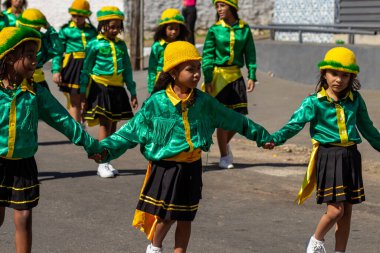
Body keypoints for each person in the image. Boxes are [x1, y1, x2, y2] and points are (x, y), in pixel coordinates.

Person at [92, 41, 273, 253]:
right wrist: (104, 150)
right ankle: (155, 247)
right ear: (174, 72)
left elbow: (232, 118)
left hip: (192, 167)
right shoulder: (157, 103)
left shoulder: (204, 101)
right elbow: (129, 131)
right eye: (190, 69)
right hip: (167, 168)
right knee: (167, 216)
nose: (197, 74)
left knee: (186, 216)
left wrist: (261, 136)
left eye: (198, 68)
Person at [0, 26, 100, 253]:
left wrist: (90, 144)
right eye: (30, 56)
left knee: (24, 216)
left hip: (24, 164)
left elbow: (63, 121)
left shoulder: (36, 94)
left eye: (36, 55)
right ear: (9, 58)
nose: (35, 61)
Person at [270, 47, 380, 253]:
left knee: (346, 213)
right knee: (335, 210)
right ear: (324, 74)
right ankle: (316, 242)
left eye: (345, 75)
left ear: (351, 77)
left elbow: (368, 129)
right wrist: (275, 139)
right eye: (334, 73)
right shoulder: (314, 102)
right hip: (329, 157)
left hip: (350, 157)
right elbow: (294, 124)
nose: (339, 79)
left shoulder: (355, 100)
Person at [80, 6, 138, 178]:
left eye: (118, 27)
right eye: (111, 26)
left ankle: (107, 158)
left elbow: (127, 69)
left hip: (117, 89)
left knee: (113, 125)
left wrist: (132, 91)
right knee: (105, 124)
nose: (114, 30)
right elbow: (86, 69)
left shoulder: (121, 45)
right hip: (100, 88)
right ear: (102, 25)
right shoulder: (94, 44)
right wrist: (83, 93)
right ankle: (101, 162)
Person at [202, 0, 257, 170]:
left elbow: (250, 53)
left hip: (236, 76)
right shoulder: (214, 30)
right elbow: (207, 55)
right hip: (218, 78)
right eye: (217, 6)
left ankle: (224, 143)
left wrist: (252, 75)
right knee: (222, 121)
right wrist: (208, 78)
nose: (219, 9)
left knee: (239, 119)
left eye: (222, 5)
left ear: (232, 7)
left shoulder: (244, 29)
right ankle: (224, 156)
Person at [55, 0, 97, 125]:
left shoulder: (92, 31)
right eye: (74, 15)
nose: (76, 18)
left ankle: (83, 123)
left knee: (87, 97)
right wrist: (56, 70)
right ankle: (77, 129)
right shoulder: (66, 30)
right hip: (72, 66)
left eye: (80, 16)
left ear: (86, 16)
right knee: (74, 100)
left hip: (90, 66)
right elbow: (58, 52)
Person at [16, 8, 64, 92]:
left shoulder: (42, 39)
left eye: (38, 28)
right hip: (18, 84)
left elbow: (58, 49)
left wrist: (50, 28)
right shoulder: (16, 40)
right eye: (33, 28)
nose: (36, 31)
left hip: (39, 83)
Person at [147, 8, 189, 94]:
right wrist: (152, 88)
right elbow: (152, 68)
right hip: (160, 81)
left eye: (176, 29)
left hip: (177, 79)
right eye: (170, 28)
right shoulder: (157, 46)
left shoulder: (182, 45)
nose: (173, 32)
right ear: (164, 28)